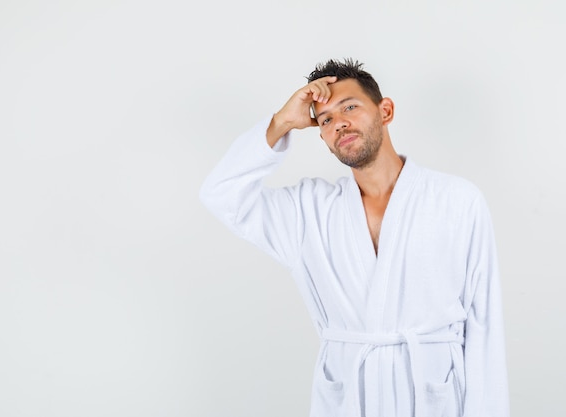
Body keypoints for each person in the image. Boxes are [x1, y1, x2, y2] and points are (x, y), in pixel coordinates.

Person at [199, 58, 509, 417]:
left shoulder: (457, 200)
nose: (339, 122)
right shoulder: (308, 211)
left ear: (386, 110)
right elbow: (219, 194)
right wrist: (281, 121)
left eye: (350, 107)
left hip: (433, 398)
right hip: (348, 398)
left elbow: (484, 325)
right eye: (326, 119)